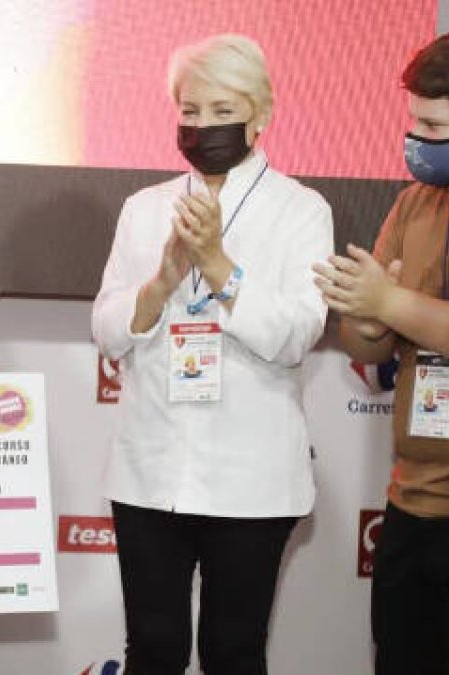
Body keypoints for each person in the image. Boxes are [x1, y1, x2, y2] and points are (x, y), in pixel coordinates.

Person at [91, 34, 333, 674]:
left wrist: (219, 268)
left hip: (251, 483)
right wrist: (163, 283)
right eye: (190, 111)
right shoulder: (144, 209)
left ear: (261, 114)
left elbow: (295, 335)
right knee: (153, 650)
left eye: (221, 109)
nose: (201, 126)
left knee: (233, 652)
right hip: (149, 474)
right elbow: (109, 329)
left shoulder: (301, 211)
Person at [313, 33, 449, 674]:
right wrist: (366, 313)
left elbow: (397, 306)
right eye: (415, 120)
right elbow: (366, 339)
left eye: (434, 124)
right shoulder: (413, 202)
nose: (416, 139)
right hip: (412, 502)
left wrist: (389, 303)